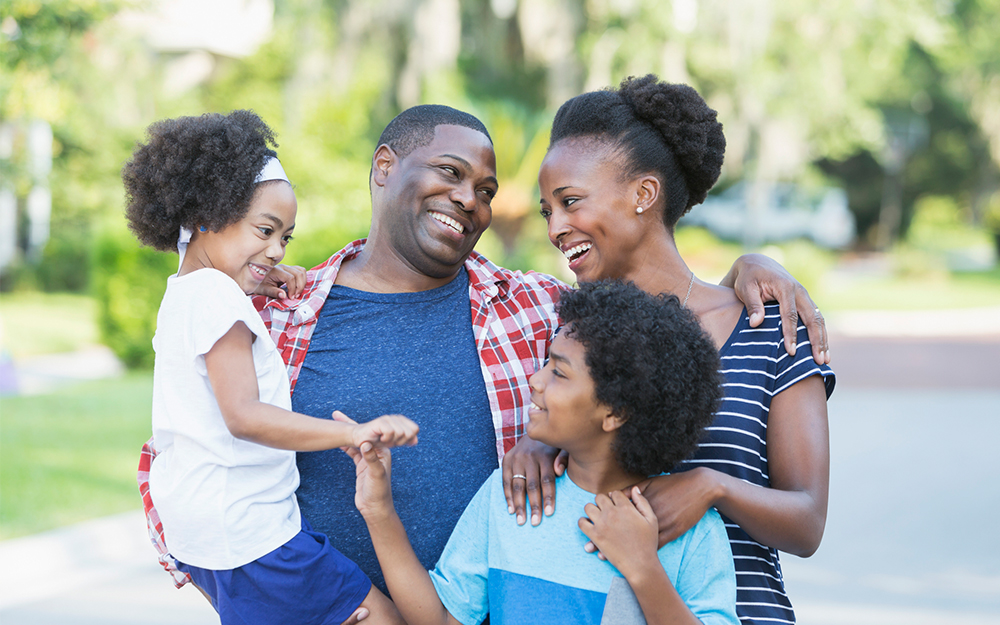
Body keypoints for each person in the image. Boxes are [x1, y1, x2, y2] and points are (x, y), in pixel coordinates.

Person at [137, 104, 829, 614]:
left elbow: (650, 328)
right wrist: (256, 587)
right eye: (450, 172)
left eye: (488, 190)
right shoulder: (272, 309)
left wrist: (753, 266)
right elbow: (179, 455)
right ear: (385, 168)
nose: (470, 199)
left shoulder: (537, 305)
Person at [513, 74, 835, 624]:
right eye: (548, 211)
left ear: (643, 194)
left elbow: (806, 523)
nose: (556, 227)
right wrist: (539, 445)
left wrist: (711, 487)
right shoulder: (568, 332)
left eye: (570, 202)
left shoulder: (766, 326)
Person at [123, 110, 418, 625]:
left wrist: (259, 273)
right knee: (385, 618)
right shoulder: (218, 299)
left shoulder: (186, 292)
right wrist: (351, 434)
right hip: (252, 536)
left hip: (206, 534)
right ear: (210, 213)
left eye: (286, 237)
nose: (277, 248)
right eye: (266, 229)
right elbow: (244, 415)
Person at [352, 280, 739, 625]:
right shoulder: (511, 494)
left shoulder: (691, 529)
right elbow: (439, 618)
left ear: (615, 411)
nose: (535, 380)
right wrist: (379, 510)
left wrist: (642, 568)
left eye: (559, 371)